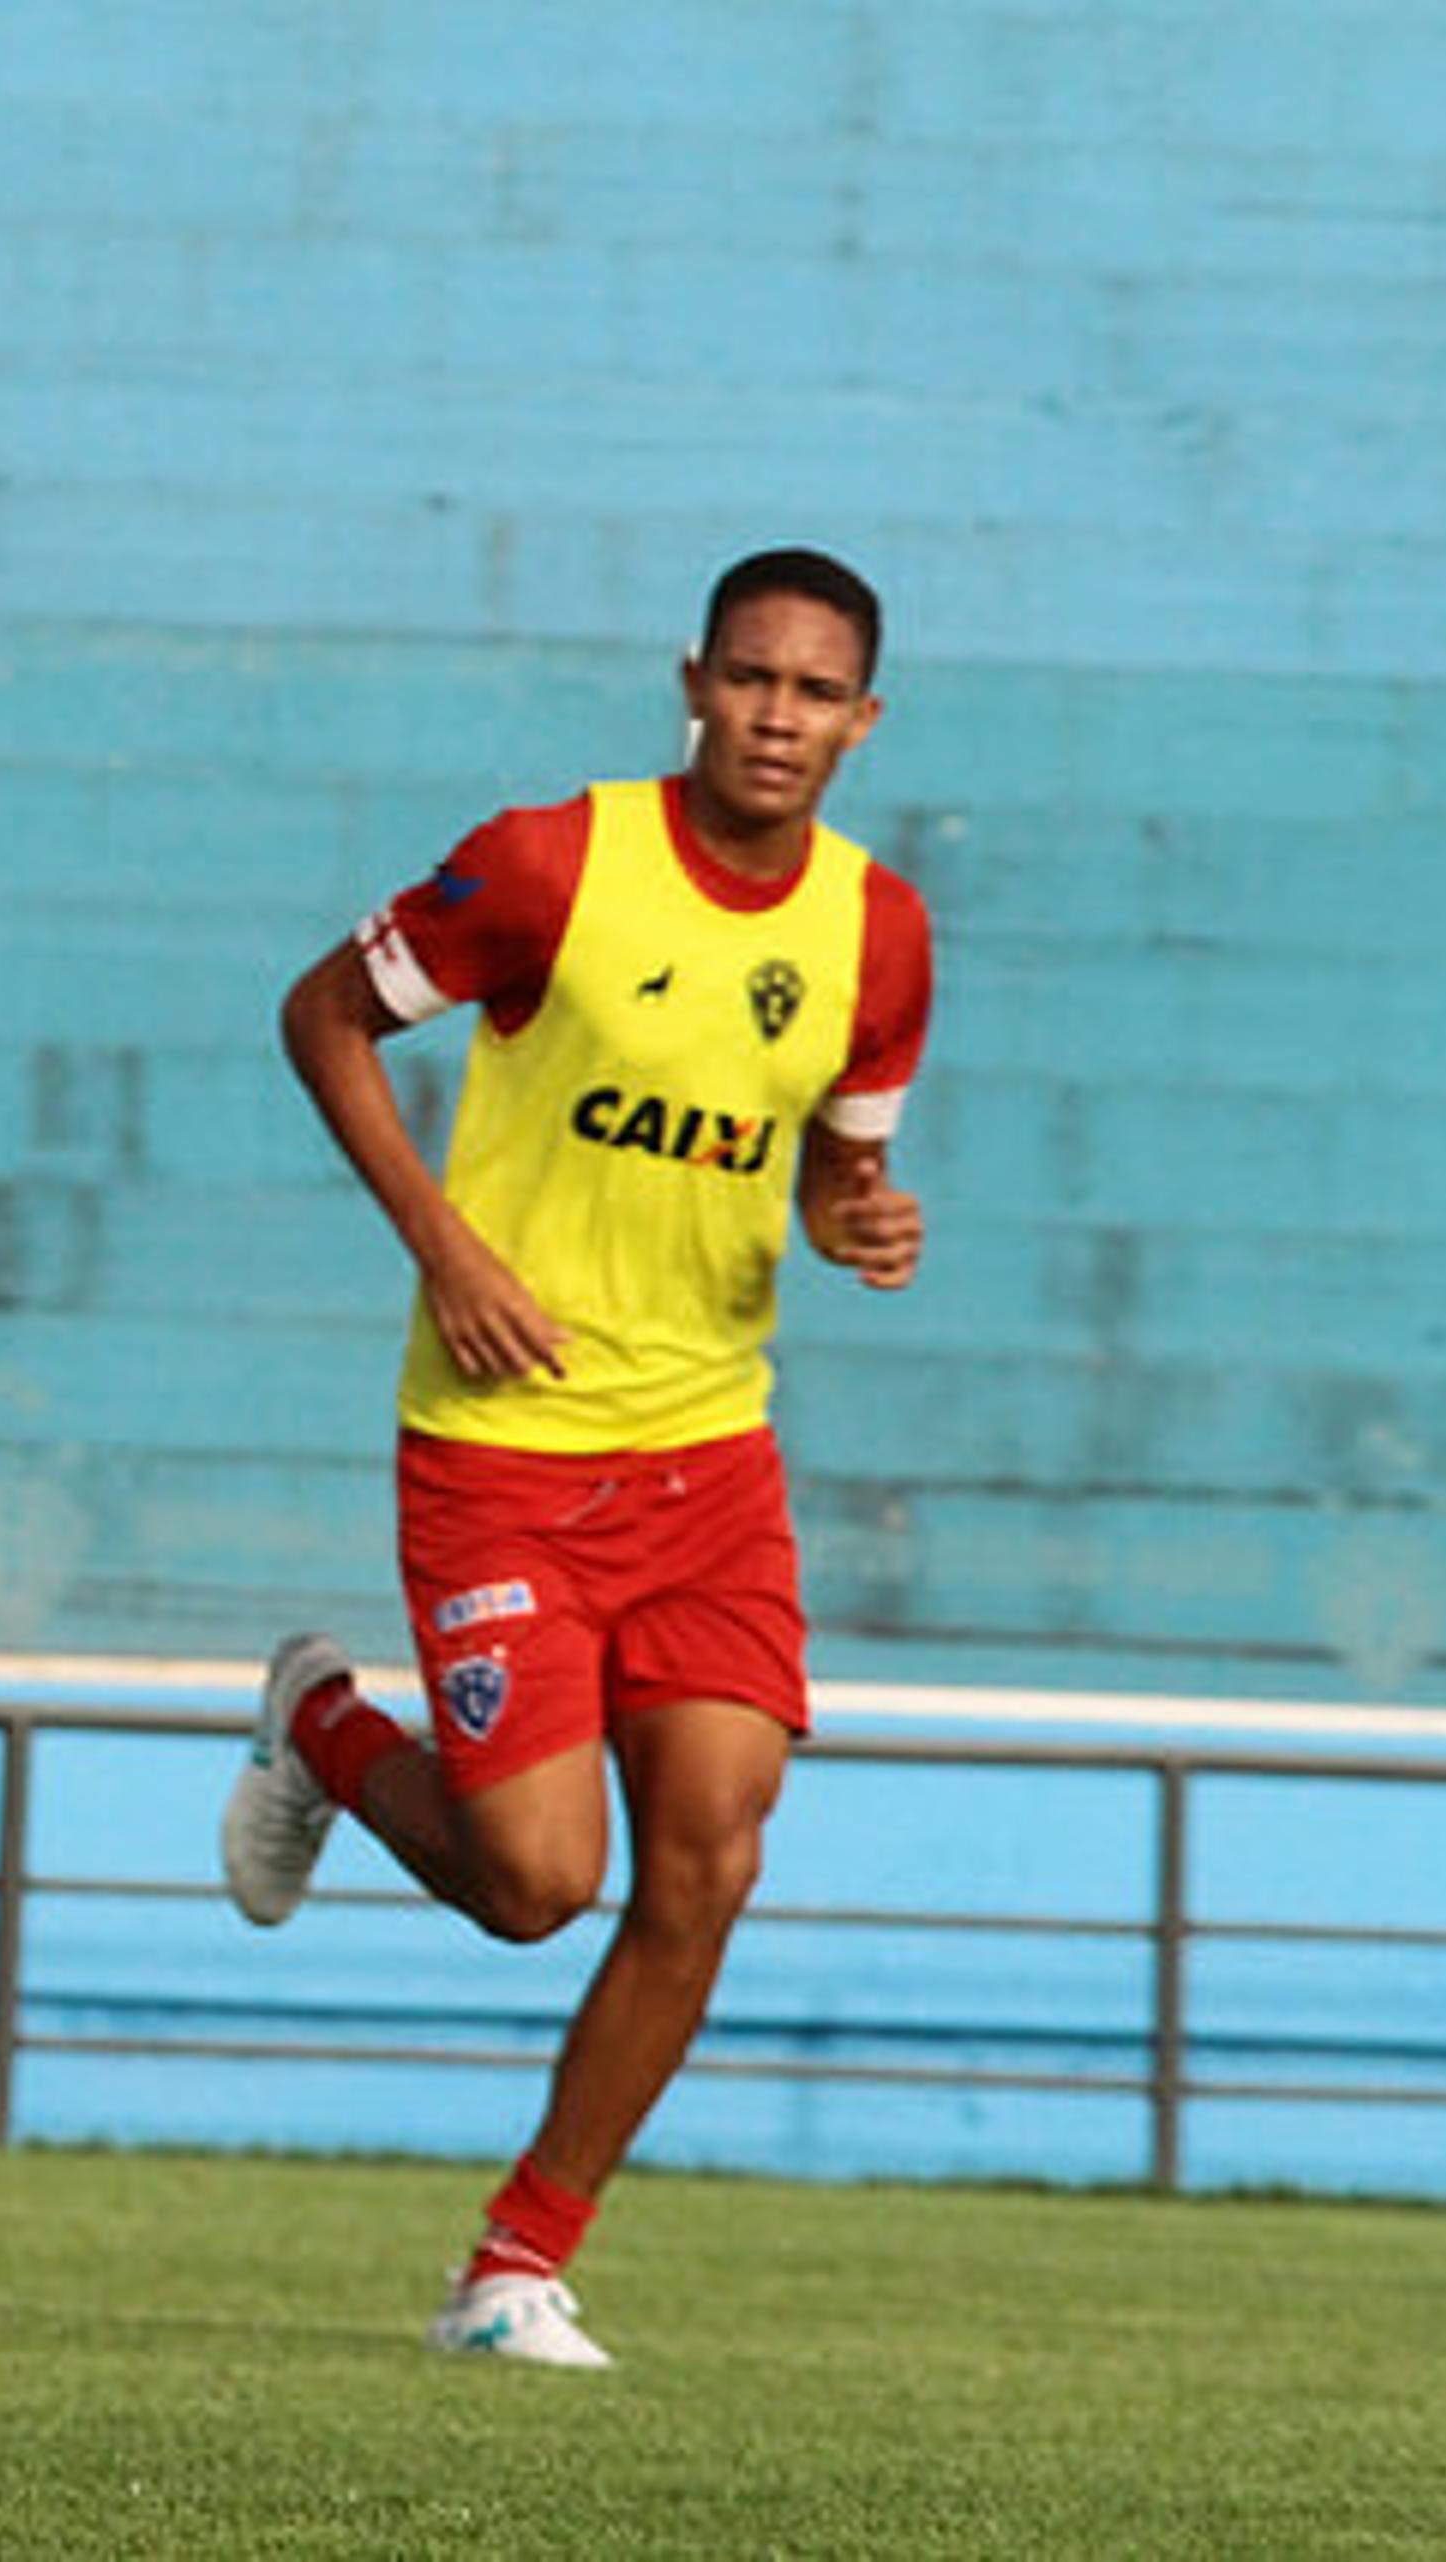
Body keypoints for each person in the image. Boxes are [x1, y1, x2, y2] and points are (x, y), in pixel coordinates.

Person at [220, 547, 931, 2370]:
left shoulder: (879, 933)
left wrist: (861, 1217)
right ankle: (324, 1723)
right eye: (751, 678)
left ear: (865, 720)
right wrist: (447, 1247)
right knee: (538, 1885)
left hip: (709, 1456)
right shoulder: (552, 860)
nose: (778, 716)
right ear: (692, 679)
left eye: (816, 692)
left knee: (705, 1864)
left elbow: (842, 1163)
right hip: (506, 1447)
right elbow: (323, 1013)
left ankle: (516, 2264)